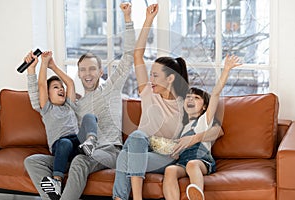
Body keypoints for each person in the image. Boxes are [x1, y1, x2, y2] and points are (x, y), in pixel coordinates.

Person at [23, 2, 135, 200]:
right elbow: (38, 101)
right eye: (82, 69)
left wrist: (127, 19)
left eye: (92, 69)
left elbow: (128, 58)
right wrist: (32, 70)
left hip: (108, 151)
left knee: (80, 161)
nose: (87, 73)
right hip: (76, 151)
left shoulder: (110, 89)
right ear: (79, 74)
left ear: (100, 72)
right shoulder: (73, 104)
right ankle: (53, 197)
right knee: (33, 161)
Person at [112, 4, 189, 200]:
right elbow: (137, 55)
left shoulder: (185, 105)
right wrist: (148, 20)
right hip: (140, 147)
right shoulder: (148, 94)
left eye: (155, 75)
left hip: (164, 158)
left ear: (170, 78)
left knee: (125, 156)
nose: (150, 79)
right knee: (137, 136)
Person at [163, 55, 242, 200]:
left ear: (204, 107)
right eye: (188, 97)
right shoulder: (182, 126)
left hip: (200, 162)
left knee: (192, 165)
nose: (191, 99)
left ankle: (197, 194)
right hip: (181, 162)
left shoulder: (204, 120)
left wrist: (226, 70)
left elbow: (216, 93)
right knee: (170, 170)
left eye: (196, 98)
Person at [24, 51, 98, 200]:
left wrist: (53, 66)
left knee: (90, 117)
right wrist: (44, 64)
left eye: (61, 87)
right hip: (61, 148)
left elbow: (70, 82)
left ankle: (91, 142)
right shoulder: (47, 108)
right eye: (56, 87)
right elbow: (41, 86)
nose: (61, 89)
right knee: (63, 143)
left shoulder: (69, 106)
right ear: (48, 94)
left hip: (78, 144)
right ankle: (56, 182)